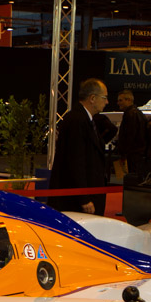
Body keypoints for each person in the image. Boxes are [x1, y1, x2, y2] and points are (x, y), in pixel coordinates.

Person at [48, 78, 110, 216]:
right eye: (104, 97)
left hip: (83, 196)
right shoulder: (77, 120)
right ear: (92, 98)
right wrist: (84, 198)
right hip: (76, 202)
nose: (107, 102)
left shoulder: (86, 119)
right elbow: (76, 162)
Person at [115, 89, 148, 178]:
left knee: (128, 183)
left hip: (131, 156)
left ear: (129, 100)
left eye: (121, 100)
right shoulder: (138, 113)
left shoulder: (130, 114)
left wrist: (123, 154)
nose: (118, 103)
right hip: (137, 155)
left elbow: (130, 136)